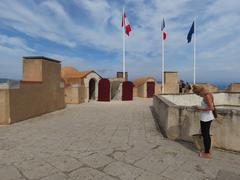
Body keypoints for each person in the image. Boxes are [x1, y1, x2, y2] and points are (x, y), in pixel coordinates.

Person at [192, 85, 215, 159]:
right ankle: (208, 151)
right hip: (206, 117)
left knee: (206, 135)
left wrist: (200, 109)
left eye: (198, 94)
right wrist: (200, 108)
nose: (198, 95)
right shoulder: (208, 94)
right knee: (206, 135)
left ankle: (207, 153)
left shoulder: (207, 96)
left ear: (200, 92)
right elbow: (207, 106)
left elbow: (211, 108)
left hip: (206, 118)